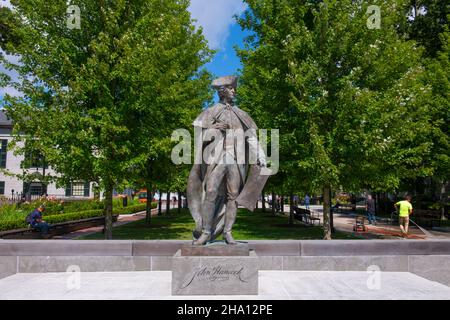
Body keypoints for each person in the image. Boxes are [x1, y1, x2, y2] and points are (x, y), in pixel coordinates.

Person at [187, 76, 268, 245]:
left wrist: (261, 156)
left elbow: (251, 138)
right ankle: (206, 232)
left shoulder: (241, 114)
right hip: (217, 159)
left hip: (236, 160)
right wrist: (212, 129)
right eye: (231, 89)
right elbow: (199, 138)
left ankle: (228, 232)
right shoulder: (210, 112)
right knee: (210, 191)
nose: (234, 92)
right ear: (223, 91)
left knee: (233, 196)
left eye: (233, 89)